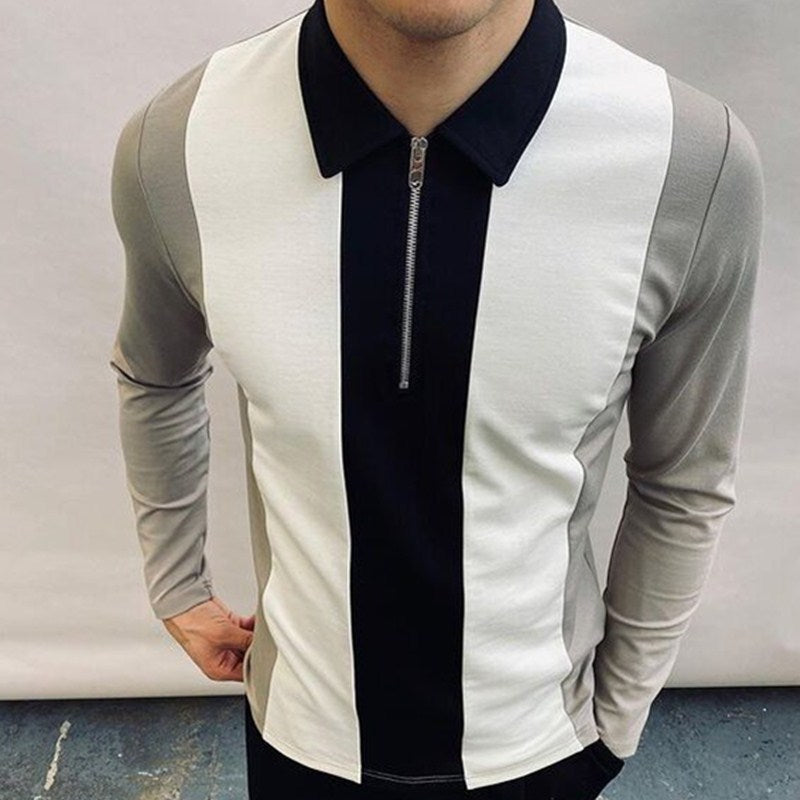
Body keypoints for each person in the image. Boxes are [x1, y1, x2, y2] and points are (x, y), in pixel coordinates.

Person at [107, 0, 765, 797]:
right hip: (297, 743)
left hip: (543, 755)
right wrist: (177, 585)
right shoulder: (181, 139)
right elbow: (156, 374)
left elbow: (685, 476)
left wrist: (615, 720)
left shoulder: (688, 159)